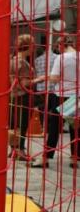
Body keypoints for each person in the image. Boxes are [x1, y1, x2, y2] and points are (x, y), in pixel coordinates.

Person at [35, 35, 78, 168]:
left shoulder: (61, 58)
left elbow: (55, 78)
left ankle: (46, 158)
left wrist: (44, 77)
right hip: (76, 96)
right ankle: (74, 158)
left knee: (54, 127)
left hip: (61, 96)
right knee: (75, 128)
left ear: (60, 45)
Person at [9, 34, 34, 160]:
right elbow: (23, 84)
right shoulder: (22, 63)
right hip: (22, 96)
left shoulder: (12, 60)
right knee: (22, 124)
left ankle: (14, 149)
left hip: (12, 96)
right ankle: (20, 151)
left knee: (14, 124)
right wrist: (40, 79)